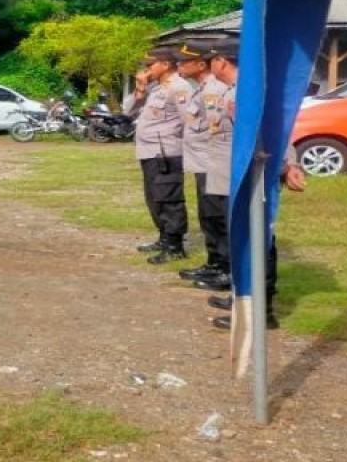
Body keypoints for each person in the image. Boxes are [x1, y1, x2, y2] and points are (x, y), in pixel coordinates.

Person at [200, 38, 305, 330]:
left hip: (255, 177)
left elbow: (277, 130)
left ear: (221, 61)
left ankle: (261, 311)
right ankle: (241, 298)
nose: (210, 65)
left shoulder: (253, 92)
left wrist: (290, 165)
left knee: (257, 242)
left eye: (212, 60)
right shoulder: (235, 91)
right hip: (235, 177)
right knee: (240, 241)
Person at [124, 46, 192, 264]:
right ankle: (163, 237)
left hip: (166, 153)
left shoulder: (180, 87)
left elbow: (188, 121)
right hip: (149, 152)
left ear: (166, 64)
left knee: (169, 198)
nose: (147, 69)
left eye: (150, 64)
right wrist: (141, 89)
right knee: (154, 198)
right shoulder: (154, 88)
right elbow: (128, 111)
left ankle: (175, 245)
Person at [173, 40, 231, 291]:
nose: (179, 66)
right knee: (208, 217)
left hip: (213, 162)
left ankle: (225, 267)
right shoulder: (202, 88)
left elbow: (215, 130)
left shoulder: (216, 89)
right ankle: (214, 262)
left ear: (200, 64)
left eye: (184, 62)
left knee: (218, 217)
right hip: (202, 162)